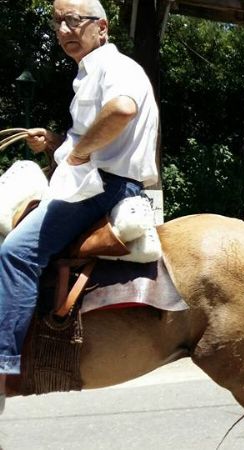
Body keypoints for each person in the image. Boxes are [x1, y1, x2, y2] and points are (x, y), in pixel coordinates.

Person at [0, 0, 159, 411]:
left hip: (100, 188)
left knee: (15, 254)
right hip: (96, 179)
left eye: (74, 20)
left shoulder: (114, 67)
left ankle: (5, 362)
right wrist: (56, 141)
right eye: (58, 22)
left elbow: (122, 109)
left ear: (102, 27)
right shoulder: (89, 74)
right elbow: (98, 135)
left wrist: (78, 153)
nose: (64, 30)